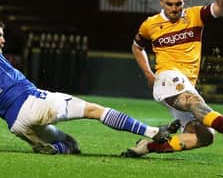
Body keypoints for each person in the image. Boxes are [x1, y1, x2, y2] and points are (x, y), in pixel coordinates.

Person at [126, 0, 223, 157]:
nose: (174, 9)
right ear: (161, 2)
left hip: (186, 85)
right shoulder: (150, 24)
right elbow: (137, 47)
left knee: (204, 137)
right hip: (168, 78)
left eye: (178, 4)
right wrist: (148, 73)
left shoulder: (194, 15)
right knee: (194, 101)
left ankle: (147, 147)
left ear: (183, 1)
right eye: (169, 4)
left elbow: (222, 7)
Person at [0, 21, 177, 155]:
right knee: (95, 111)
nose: (3, 40)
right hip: (32, 103)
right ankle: (153, 132)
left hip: (16, 123)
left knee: (72, 145)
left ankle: (52, 148)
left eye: (3, 35)